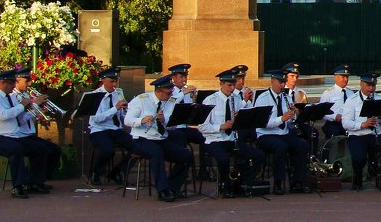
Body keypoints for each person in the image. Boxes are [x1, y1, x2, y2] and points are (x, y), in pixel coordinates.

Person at [0, 68, 53, 198]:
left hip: (13, 136)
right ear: (3, 83)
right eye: (12, 83)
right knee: (16, 149)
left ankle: (34, 183)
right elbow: (3, 115)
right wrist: (22, 105)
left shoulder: (11, 97)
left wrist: (35, 108)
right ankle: (18, 186)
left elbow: (19, 118)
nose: (14, 86)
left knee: (41, 148)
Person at [124, 74, 193, 202]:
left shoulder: (171, 101)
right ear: (158, 91)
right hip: (141, 138)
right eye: (167, 93)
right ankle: (162, 190)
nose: (170, 95)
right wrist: (141, 120)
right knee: (156, 153)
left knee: (186, 156)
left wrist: (164, 121)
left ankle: (172, 187)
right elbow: (127, 120)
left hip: (160, 138)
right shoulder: (141, 99)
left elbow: (172, 126)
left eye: (171, 92)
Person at [201, 69, 265, 197]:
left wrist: (239, 119)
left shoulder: (235, 99)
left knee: (258, 155)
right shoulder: (210, 100)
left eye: (233, 85)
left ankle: (242, 184)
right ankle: (225, 186)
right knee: (223, 159)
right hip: (214, 140)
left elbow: (243, 117)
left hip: (231, 139)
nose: (232, 88)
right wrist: (221, 126)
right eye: (229, 85)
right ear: (221, 84)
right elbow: (202, 127)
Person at [253, 70, 310, 195]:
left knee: (302, 145)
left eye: (284, 82)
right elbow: (263, 123)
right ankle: (278, 183)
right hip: (265, 135)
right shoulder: (262, 98)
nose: (283, 85)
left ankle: (297, 181)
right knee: (281, 147)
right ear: (272, 81)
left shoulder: (286, 97)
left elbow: (289, 122)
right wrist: (281, 119)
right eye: (280, 82)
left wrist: (294, 115)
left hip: (283, 133)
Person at [342, 72, 381, 191]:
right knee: (359, 157)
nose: (371, 88)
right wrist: (362, 124)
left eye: (373, 85)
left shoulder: (380, 99)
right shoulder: (352, 100)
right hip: (358, 135)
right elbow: (345, 123)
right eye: (368, 85)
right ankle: (358, 181)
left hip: (376, 134)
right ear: (361, 84)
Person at [11, 68, 62, 189]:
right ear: (17, 80)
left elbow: (30, 117)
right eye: (27, 80)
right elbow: (20, 120)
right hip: (19, 135)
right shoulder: (13, 97)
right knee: (41, 150)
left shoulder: (25, 94)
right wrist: (35, 106)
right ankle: (33, 182)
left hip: (29, 134)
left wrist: (40, 110)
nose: (29, 83)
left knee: (55, 150)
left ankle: (40, 180)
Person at [86, 67, 135, 186]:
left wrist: (126, 110)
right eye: (111, 81)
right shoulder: (94, 95)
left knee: (138, 146)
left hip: (115, 129)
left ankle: (117, 171)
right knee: (108, 150)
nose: (114, 84)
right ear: (103, 80)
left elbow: (121, 115)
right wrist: (115, 108)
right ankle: (96, 173)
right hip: (98, 130)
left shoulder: (118, 92)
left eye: (116, 81)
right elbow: (96, 119)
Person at [318, 64, 354, 141]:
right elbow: (321, 112)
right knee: (334, 135)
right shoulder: (328, 93)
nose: (345, 79)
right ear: (335, 77)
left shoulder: (351, 93)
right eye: (343, 77)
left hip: (348, 122)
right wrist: (335, 117)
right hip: (333, 123)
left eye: (347, 77)